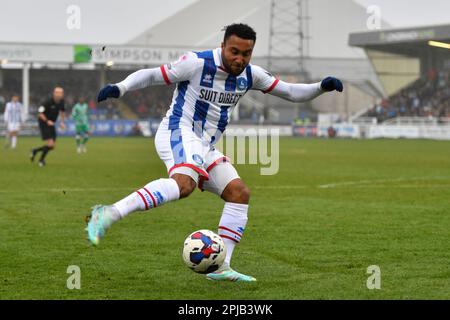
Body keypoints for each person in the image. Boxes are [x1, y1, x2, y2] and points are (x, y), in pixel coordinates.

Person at [86, 23, 343, 282]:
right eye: (234, 51)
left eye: (246, 53)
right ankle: (107, 213)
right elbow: (153, 74)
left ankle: (222, 267)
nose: (239, 59)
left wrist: (322, 86)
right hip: (179, 130)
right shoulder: (196, 63)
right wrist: (120, 87)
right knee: (184, 184)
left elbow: (289, 91)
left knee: (238, 194)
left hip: (205, 145)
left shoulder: (251, 75)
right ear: (222, 46)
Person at [30, 87, 66, 167]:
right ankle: (41, 161)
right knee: (50, 144)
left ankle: (35, 151)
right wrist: (47, 121)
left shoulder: (62, 102)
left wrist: (62, 122)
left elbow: (62, 112)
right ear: (54, 93)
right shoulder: (47, 102)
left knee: (52, 146)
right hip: (43, 123)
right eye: (57, 92)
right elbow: (40, 113)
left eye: (60, 93)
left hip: (51, 123)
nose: (59, 94)